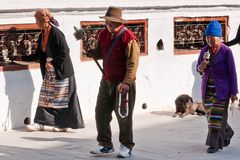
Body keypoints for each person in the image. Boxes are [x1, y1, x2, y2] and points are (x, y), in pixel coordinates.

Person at [87, 6, 140, 158]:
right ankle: (105, 144)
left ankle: (126, 146)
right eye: (107, 21)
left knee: (124, 116)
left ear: (118, 22)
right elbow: (98, 53)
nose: (108, 24)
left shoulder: (128, 38)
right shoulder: (103, 34)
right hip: (106, 82)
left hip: (122, 84)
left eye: (111, 22)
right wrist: (86, 44)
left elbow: (133, 64)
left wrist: (127, 82)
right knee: (100, 113)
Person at [25, 8, 85, 132]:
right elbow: (38, 54)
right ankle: (40, 123)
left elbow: (65, 52)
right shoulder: (42, 34)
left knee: (64, 99)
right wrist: (21, 58)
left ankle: (65, 125)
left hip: (62, 70)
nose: (35, 23)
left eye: (36, 20)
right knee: (46, 97)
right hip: (50, 71)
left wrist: (52, 63)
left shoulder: (56, 33)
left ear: (44, 20)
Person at [196, 20, 238, 153]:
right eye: (207, 38)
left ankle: (214, 144)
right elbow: (199, 69)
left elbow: (232, 72)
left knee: (216, 117)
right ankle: (227, 132)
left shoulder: (226, 51)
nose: (209, 40)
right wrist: (201, 67)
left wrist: (233, 92)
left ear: (219, 37)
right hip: (207, 89)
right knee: (211, 117)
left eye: (212, 38)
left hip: (222, 90)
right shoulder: (204, 50)